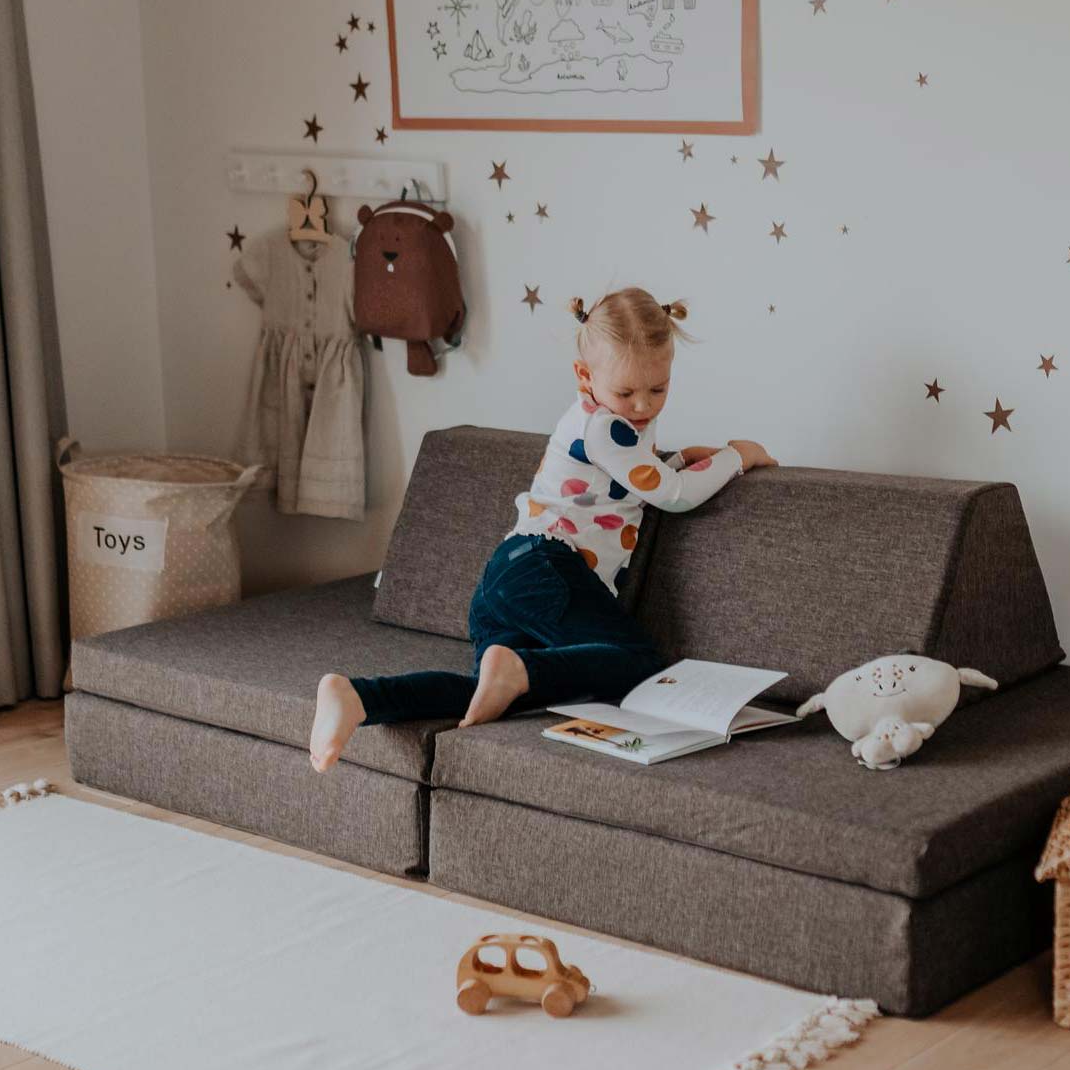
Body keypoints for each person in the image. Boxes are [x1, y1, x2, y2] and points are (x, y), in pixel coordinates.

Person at [309, 288, 775, 772]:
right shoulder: (605, 428)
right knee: (637, 663)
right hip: (547, 568)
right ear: (584, 375)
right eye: (627, 392)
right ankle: (518, 669)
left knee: (488, 695)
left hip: (507, 578)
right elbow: (672, 495)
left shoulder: (605, 423)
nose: (642, 406)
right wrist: (736, 457)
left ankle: (359, 696)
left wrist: (675, 460)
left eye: (657, 389)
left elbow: (622, 485)